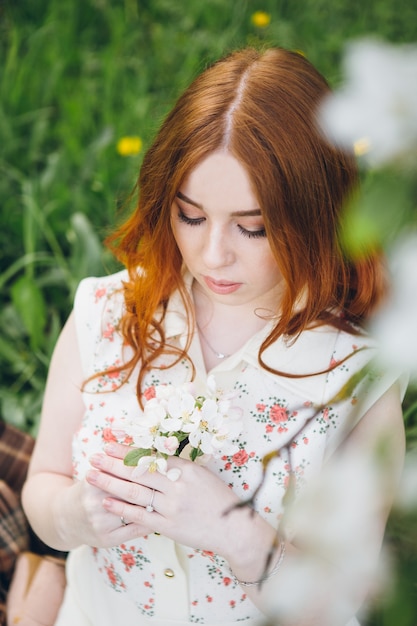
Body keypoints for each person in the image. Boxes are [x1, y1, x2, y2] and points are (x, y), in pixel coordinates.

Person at [21, 47, 407, 626]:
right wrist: (74, 516)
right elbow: (42, 486)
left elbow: (343, 602)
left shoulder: (356, 375)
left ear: (315, 214)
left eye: (253, 227)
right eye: (191, 217)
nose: (212, 254)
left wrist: (236, 532)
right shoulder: (107, 311)